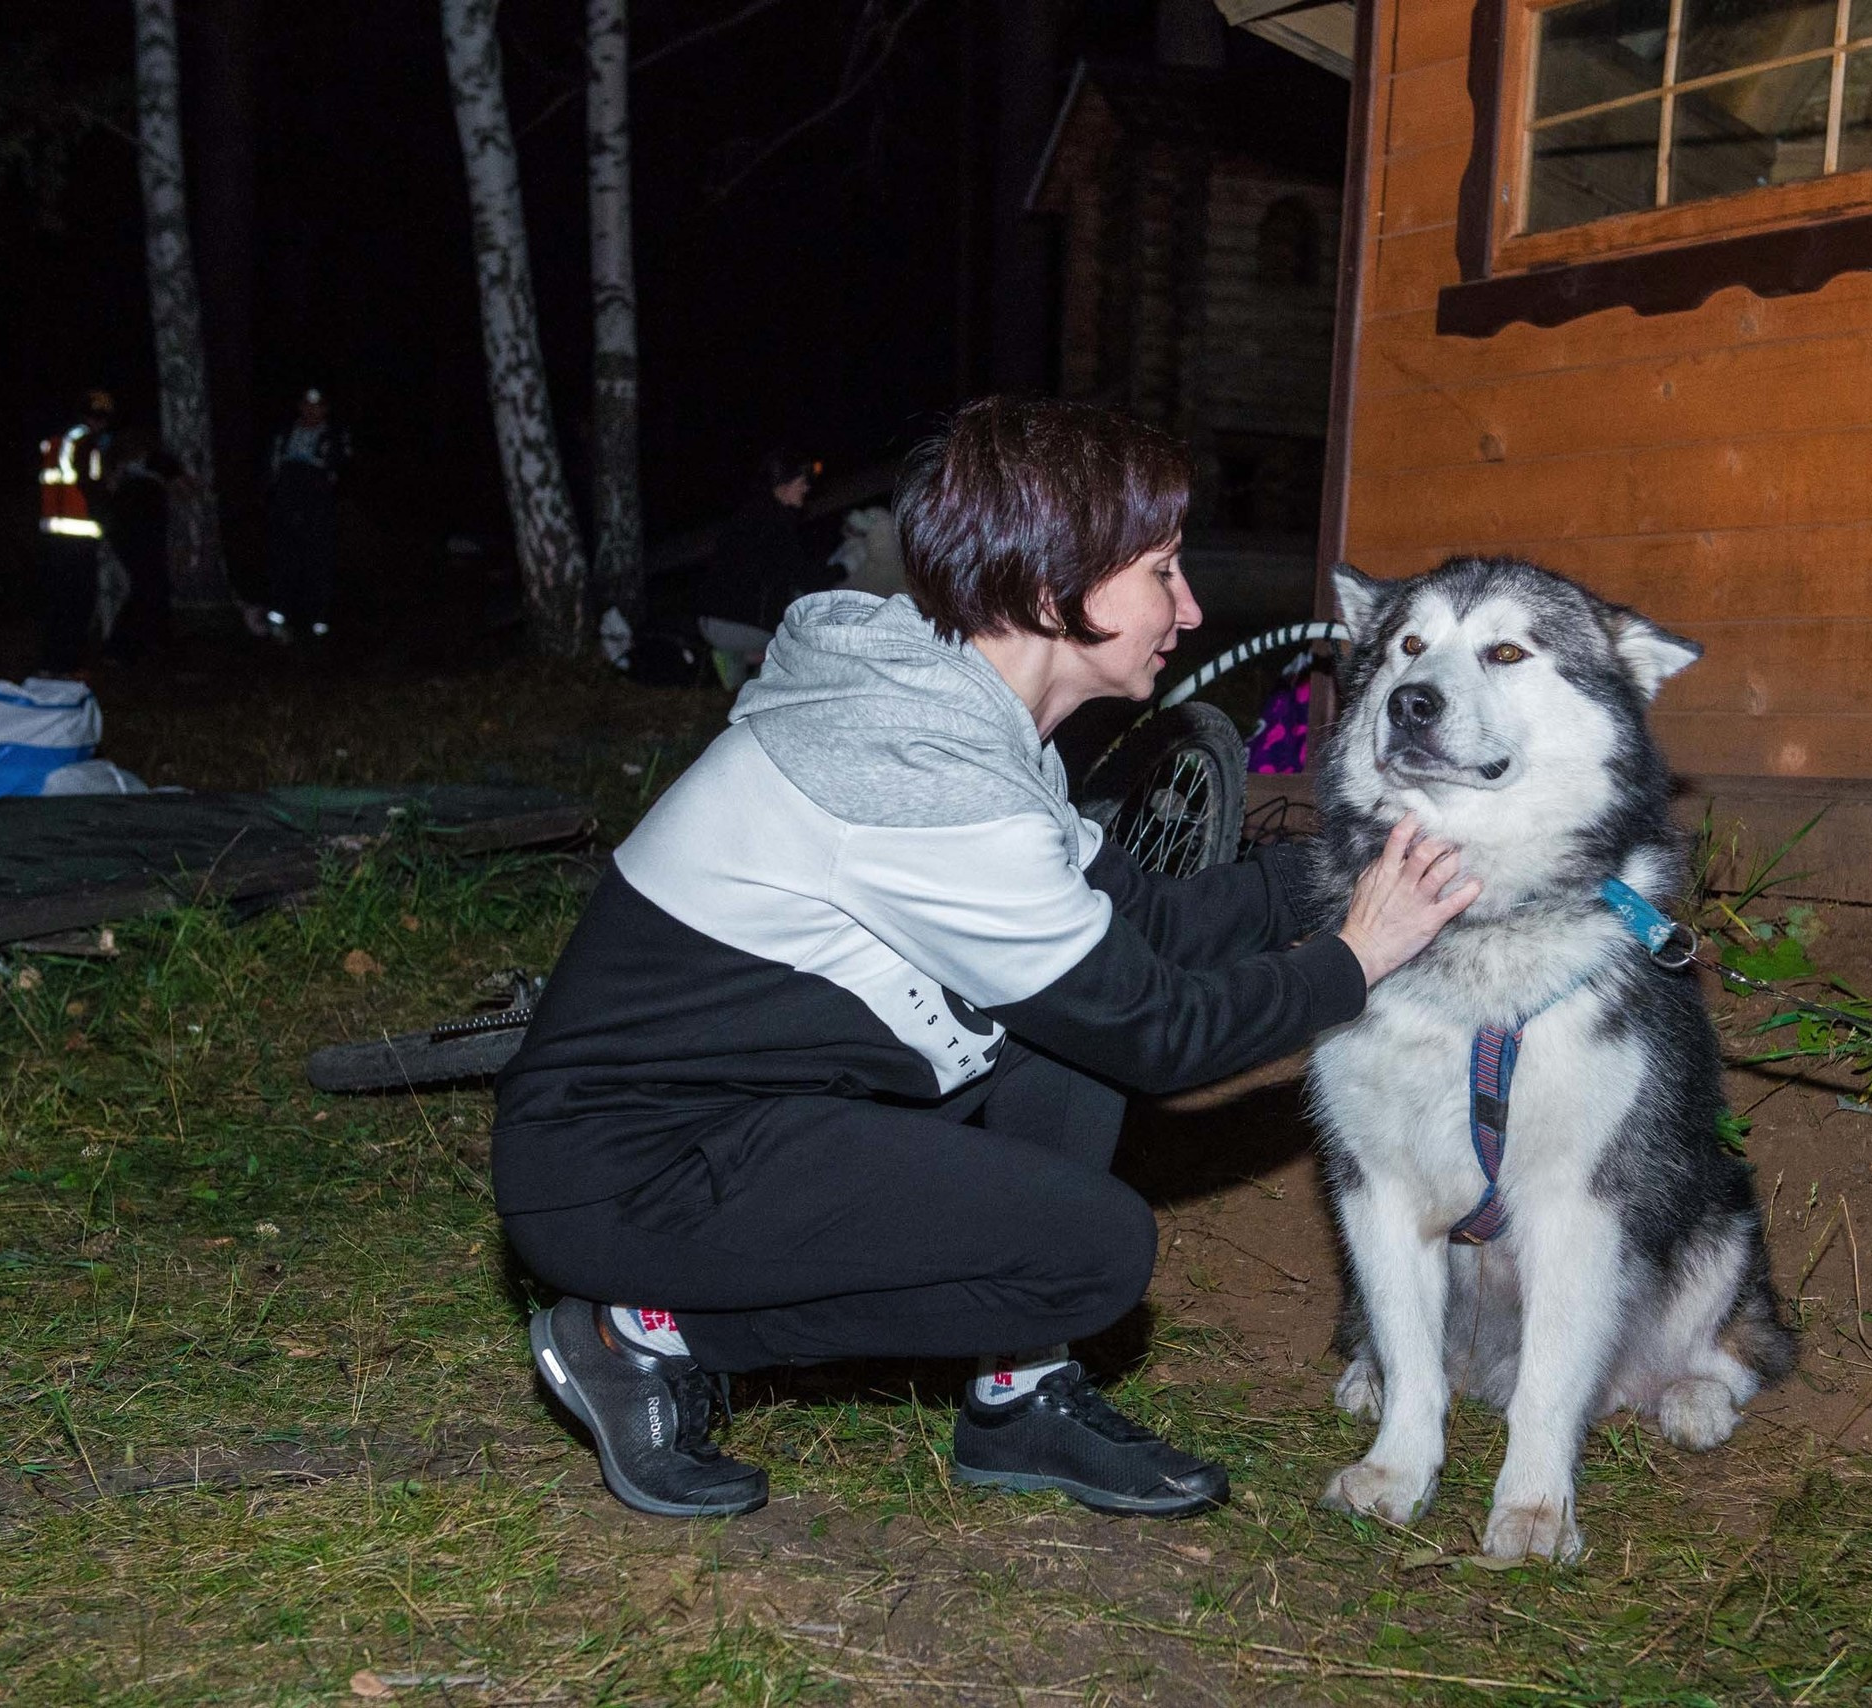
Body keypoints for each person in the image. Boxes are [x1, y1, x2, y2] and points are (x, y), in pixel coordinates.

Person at [494, 397, 1476, 1520]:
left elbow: (1144, 925)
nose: (1192, 606)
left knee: (1065, 1025)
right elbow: (1162, 1034)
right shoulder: (923, 773)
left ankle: (1017, 1398)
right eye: (1162, 571)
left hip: (745, 1113)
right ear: (1057, 592)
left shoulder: (961, 716)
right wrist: (1358, 953)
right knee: (1093, 1253)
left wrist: (1345, 865)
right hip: (623, 1167)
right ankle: (643, 1333)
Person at [697, 448, 822, 688]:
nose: (807, 488)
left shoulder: (750, 513)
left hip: (711, 619)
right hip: (734, 624)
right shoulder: (775, 524)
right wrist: (841, 572)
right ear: (783, 484)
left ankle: (738, 664)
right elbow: (803, 576)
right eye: (802, 482)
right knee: (806, 643)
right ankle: (750, 674)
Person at [34, 389, 113, 675]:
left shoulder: (54, 442)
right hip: (78, 536)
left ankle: (50, 663)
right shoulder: (86, 442)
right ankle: (68, 664)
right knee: (78, 602)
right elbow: (91, 486)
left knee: (57, 600)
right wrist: (107, 519)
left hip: (52, 534)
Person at [263, 386, 349, 641]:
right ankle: (279, 617)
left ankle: (318, 621)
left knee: (317, 560)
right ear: (300, 407)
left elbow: (341, 468)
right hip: (286, 500)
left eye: (317, 406)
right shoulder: (284, 432)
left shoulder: (335, 435)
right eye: (307, 405)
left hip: (318, 503)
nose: (311, 411)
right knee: (284, 558)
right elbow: (271, 465)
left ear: (325, 409)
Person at [104, 429, 183, 663]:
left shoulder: (157, 466)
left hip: (146, 533)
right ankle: (122, 645)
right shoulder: (126, 471)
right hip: (133, 534)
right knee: (145, 586)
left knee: (152, 585)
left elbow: (183, 485)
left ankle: (152, 641)